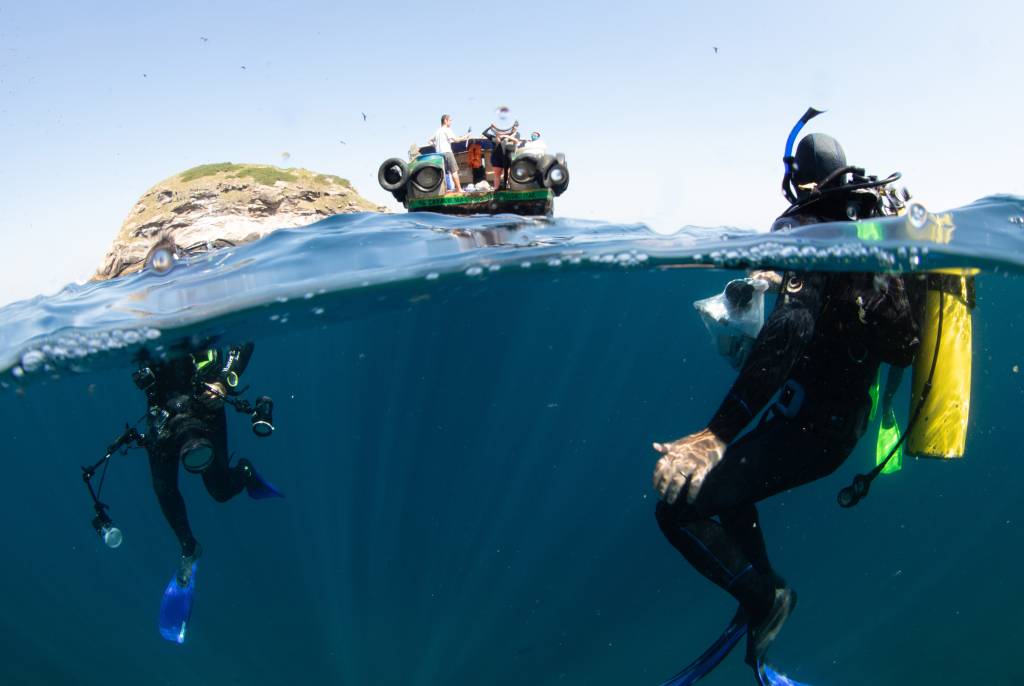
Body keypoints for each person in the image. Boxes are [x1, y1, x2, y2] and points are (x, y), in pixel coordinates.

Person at [651, 132, 923, 674]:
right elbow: (835, 307)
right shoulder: (862, 221)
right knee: (724, 492)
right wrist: (786, 281)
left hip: (813, 429)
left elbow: (794, 326)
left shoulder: (803, 225)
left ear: (796, 179)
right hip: (830, 420)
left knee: (678, 508)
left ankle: (764, 598)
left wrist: (716, 434)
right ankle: (763, 589)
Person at [133, 342, 281, 587]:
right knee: (163, 488)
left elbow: (244, 341)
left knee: (220, 490)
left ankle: (244, 472)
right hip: (162, 414)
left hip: (206, 406)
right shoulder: (138, 318)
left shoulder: (198, 310)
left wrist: (222, 381)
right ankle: (188, 548)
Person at [430, 114, 467, 193]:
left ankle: (445, 190)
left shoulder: (437, 131)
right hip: (447, 152)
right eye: (450, 120)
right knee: (454, 171)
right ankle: (459, 189)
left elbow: (429, 140)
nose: (451, 122)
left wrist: (435, 145)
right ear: (445, 120)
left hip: (439, 155)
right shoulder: (447, 129)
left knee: (444, 173)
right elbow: (456, 140)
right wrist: (465, 137)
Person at [483, 120, 522, 190]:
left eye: (515, 127)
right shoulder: (493, 138)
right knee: (497, 174)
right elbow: (484, 133)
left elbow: (516, 141)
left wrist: (506, 135)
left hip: (511, 155)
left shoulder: (512, 135)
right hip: (497, 157)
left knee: (510, 172)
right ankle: (497, 188)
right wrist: (491, 127)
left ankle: (510, 186)